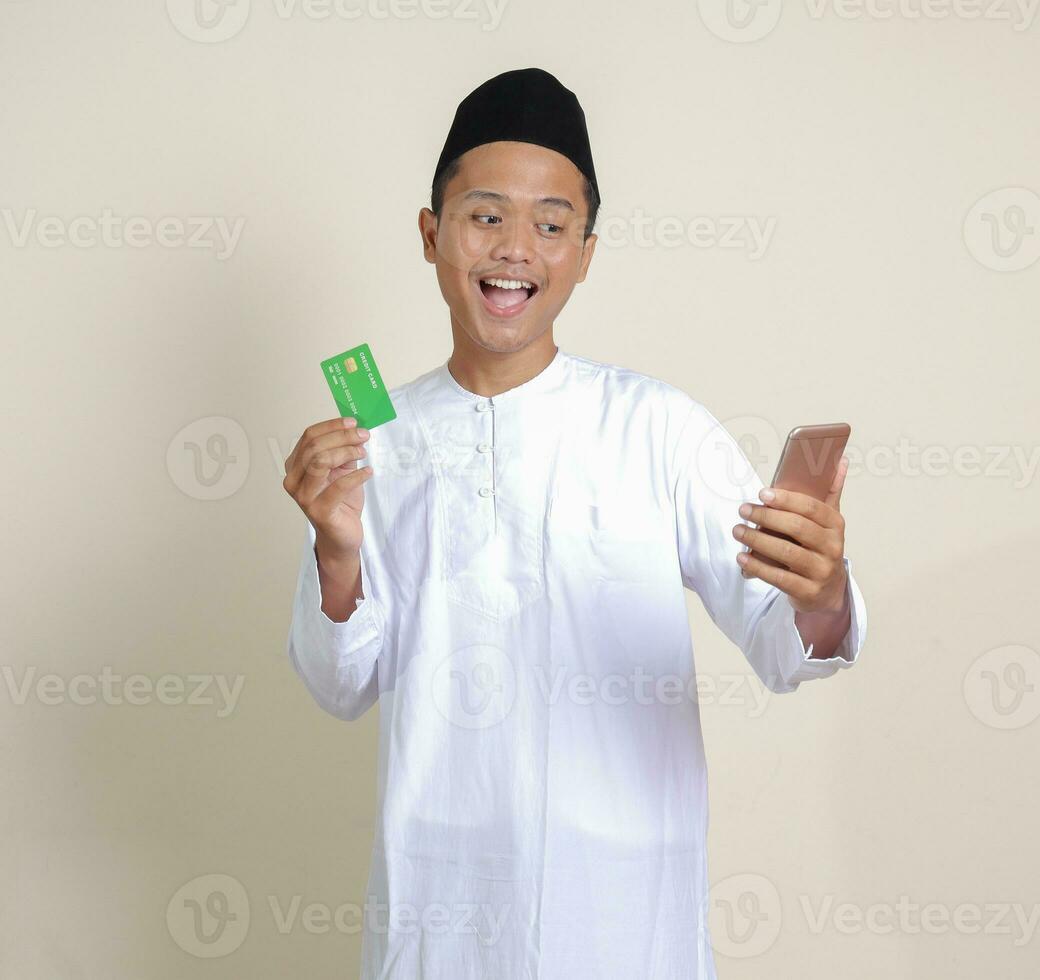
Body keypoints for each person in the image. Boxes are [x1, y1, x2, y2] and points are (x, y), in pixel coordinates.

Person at [282, 67, 867, 980]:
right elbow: (340, 683)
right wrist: (335, 548)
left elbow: (785, 642)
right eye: (485, 216)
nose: (516, 248)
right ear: (433, 234)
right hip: (442, 909)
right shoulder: (376, 442)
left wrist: (823, 590)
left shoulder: (657, 426)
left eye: (551, 225)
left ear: (585, 252)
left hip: (622, 917)